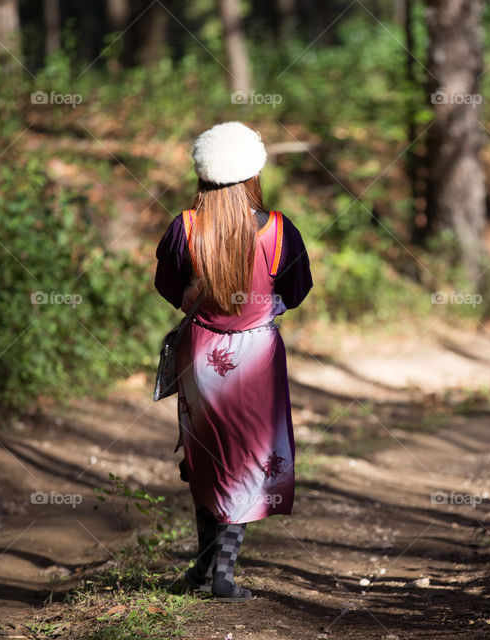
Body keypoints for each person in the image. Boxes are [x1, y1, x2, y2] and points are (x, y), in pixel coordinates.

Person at [154, 121, 312, 602]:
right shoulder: (279, 228)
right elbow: (297, 289)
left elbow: (167, 286)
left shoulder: (186, 226)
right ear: (251, 175)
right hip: (257, 356)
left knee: (206, 454)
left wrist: (202, 305)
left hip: (201, 354)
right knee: (248, 458)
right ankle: (222, 572)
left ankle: (203, 569)